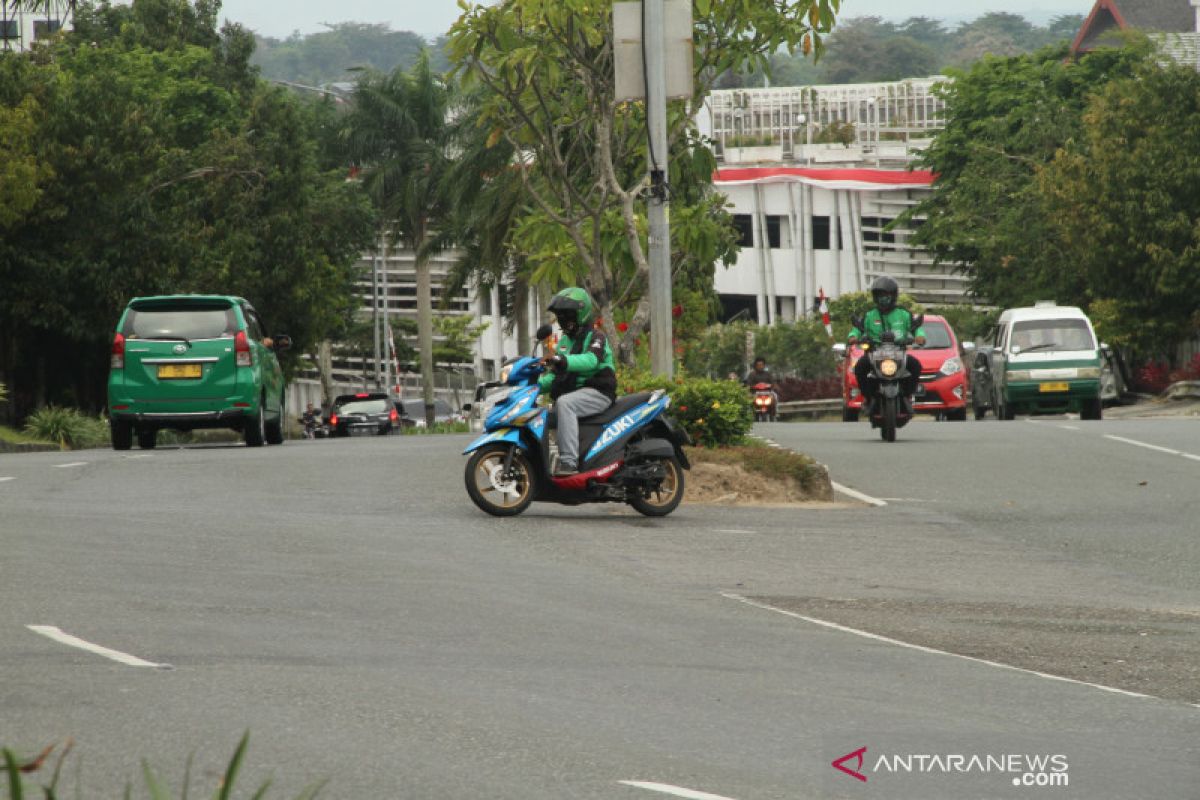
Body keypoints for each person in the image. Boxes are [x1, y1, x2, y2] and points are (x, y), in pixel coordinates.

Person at [539, 287, 617, 476]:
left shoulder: (597, 337)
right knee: (538, 415)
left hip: (598, 392)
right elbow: (555, 375)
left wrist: (563, 361)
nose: (563, 320)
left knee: (565, 404)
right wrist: (534, 386)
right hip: (577, 394)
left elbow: (591, 360)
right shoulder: (564, 342)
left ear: (580, 314)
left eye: (567, 314)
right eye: (560, 315)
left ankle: (569, 463)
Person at [847, 276, 925, 412]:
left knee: (916, 366)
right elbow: (857, 329)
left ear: (893, 295)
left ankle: (907, 396)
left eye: (886, 295)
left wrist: (919, 337)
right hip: (874, 353)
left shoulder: (903, 314)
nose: (883, 298)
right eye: (879, 295)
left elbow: (916, 328)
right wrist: (853, 337)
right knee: (859, 367)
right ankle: (868, 398)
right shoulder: (870, 315)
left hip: (898, 353)